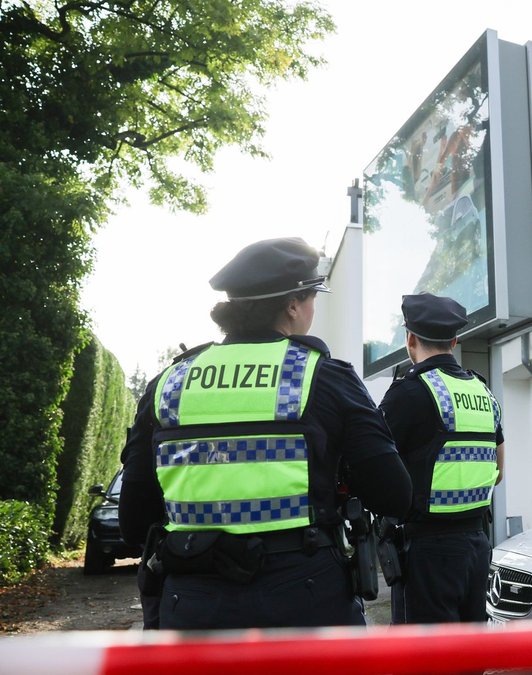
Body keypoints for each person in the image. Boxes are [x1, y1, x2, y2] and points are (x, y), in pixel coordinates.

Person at [118, 237, 412, 629]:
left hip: (192, 606)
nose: (312, 308)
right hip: (305, 602)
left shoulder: (168, 384)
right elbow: (395, 496)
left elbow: (133, 523)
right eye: (312, 298)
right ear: (293, 305)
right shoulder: (322, 376)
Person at [378, 292, 504, 624]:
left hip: (427, 550)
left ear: (410, 339)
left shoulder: (409, 392)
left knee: (424, 650)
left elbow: (373, 467)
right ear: (454, 340)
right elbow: (498, 470)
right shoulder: (483, 392)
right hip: (478, 546)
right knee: (469, 647)